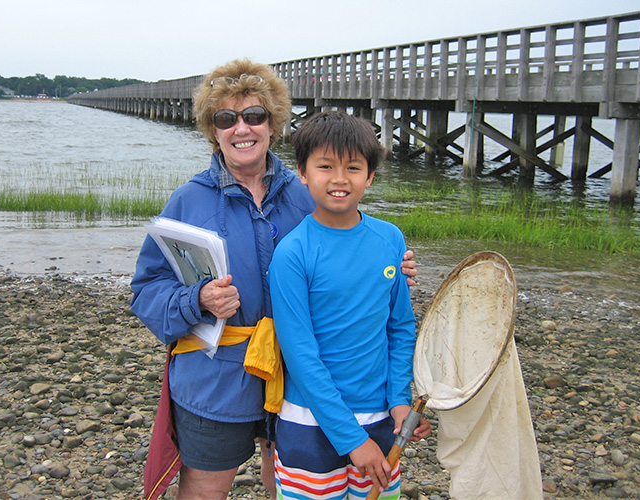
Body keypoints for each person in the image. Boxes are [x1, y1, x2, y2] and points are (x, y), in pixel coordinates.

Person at [130, 59, 418, 500]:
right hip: (216, 378)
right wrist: (197, 299)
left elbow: (351, 247)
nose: (241, 127)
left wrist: (391, 269)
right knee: (206, 487)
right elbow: (146, 289)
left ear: (273, 123)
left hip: (297, 379)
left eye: (254, 115)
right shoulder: (188, 201)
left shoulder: (307, 191)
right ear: (213, 129)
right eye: (226, 118)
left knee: (282, 480)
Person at [267, 110, 431, 500]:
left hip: (381, 417)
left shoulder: (389, 238)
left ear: (370, 176)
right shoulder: (292, 253)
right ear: (302, 173)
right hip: (311, 421)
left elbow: (400, 327)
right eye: (325, 166)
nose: (340, 179)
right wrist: (351, 440)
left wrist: (399, 402)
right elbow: (301, 356)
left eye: (353, 167)